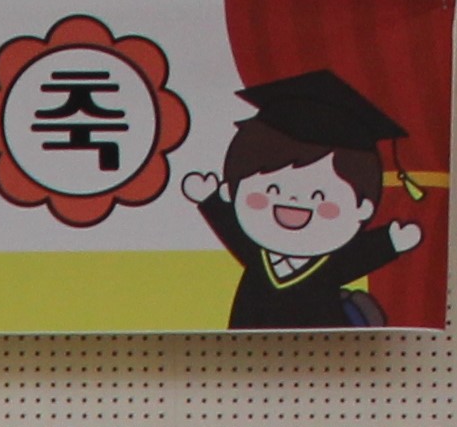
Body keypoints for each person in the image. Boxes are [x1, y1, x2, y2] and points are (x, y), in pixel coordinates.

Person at [177, 69, 424, 329]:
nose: (294, 199)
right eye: (272, 190)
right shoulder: (256, 255)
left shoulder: (331, 265)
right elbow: (230, 228)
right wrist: (210, 199)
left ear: (361, 208)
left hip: (323, 344)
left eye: (319, 196)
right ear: (232, 191)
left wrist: (389, 241)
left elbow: (361, 254)